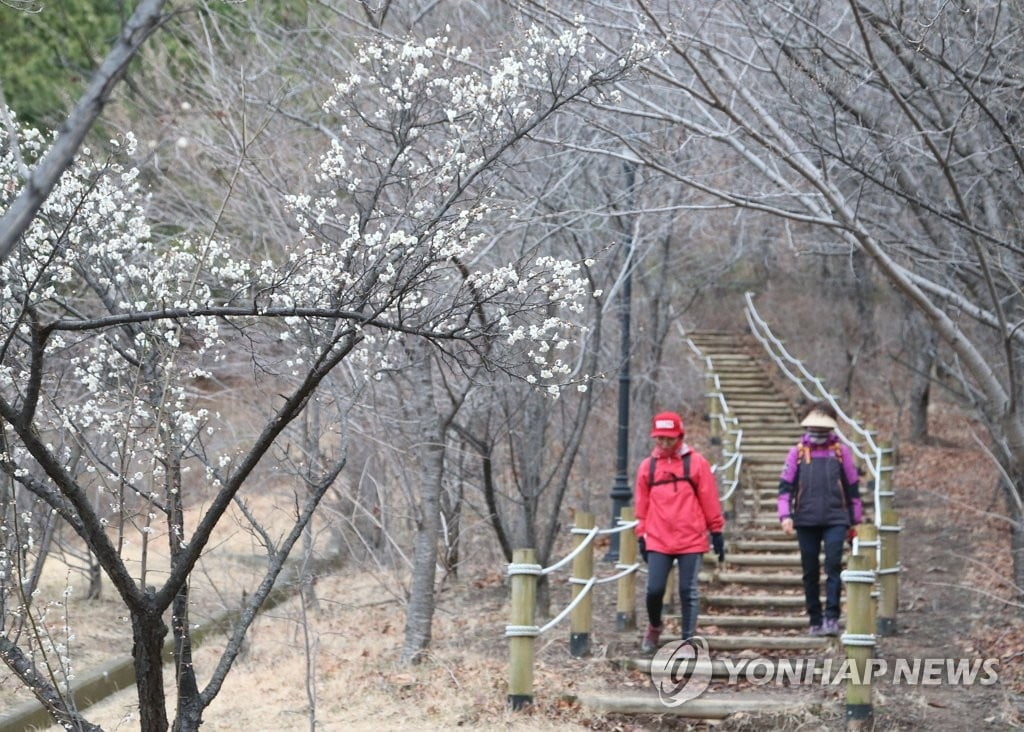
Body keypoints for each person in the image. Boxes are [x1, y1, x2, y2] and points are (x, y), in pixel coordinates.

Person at [635, 411, 725, 653]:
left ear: (680, 437)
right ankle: (654, 627)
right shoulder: (647, 467)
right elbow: (641, 506)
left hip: (691, 537)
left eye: (669, 439)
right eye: (660, 439)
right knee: (654, 590)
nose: (665, 443)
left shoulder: (696, 463)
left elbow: (709, 498)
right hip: (658, 537)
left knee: (688, 590)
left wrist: (716, 531)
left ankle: (687, 640)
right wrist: (640, 534)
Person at [778, 401, 863, 636]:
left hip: (836, 518)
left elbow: (852, 488)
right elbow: (785, 488)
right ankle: (814, 618)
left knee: (834, 566)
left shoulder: (840, 452)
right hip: (805, 519)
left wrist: (855, 521)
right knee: (810, 570)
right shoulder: (797, 452)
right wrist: (785, 515)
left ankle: (832, 617)